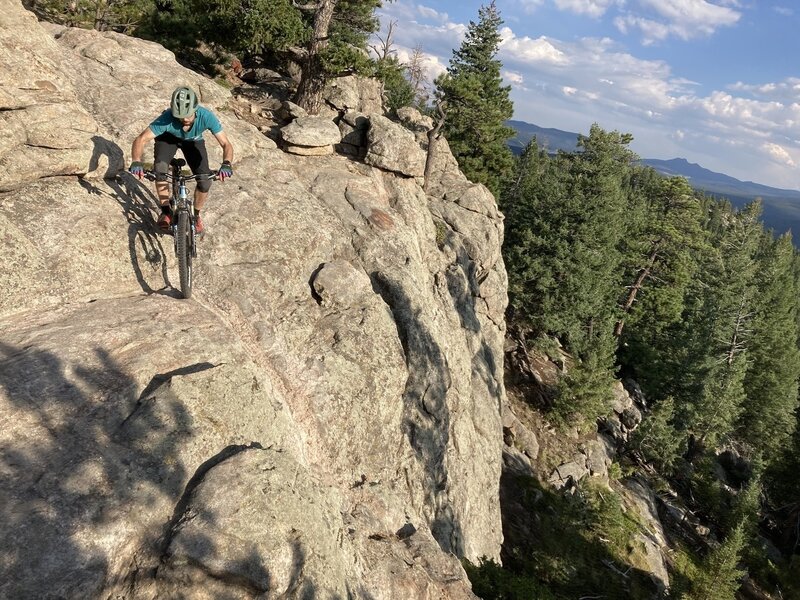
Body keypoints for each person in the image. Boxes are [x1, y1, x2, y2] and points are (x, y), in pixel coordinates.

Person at [129, 86, 234, 236]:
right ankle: (166, 212)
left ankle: (196, 215)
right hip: (168, 139)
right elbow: (141, 139)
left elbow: (226, 144)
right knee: (160, 170)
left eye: (188, 115)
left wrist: (227, 164)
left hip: (193, 141)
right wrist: (136, 161)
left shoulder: (206, 116)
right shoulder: (167, 117)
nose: (184, 119)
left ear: (195, 109)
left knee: (204, 181)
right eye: (180, 116)